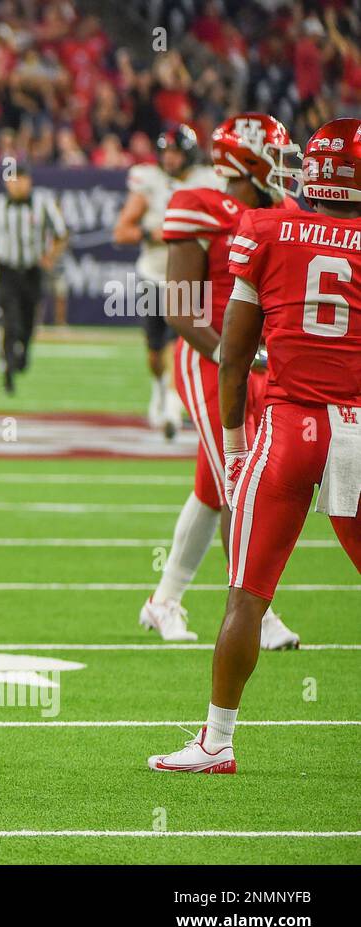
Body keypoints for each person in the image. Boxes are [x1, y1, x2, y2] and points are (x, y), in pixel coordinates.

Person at [149, 117, 361, 773]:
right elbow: (189, 313)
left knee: (247, 592)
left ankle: (217, 741)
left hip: (289, 422)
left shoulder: (266, 229)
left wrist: (238, 441)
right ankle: (165, 601)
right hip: (355, 423)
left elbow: (236, 354)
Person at [139, 113, 301, 650]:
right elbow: (181, 309)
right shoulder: (200, 205)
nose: (283, 169)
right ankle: (259, 611)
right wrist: (235, 359)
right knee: (242, 484)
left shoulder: (280, 213)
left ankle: (163, 602)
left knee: (214, 489)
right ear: (245, 163)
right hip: (210, 361)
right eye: (273, 157)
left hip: (255, 365)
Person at [113, 125, 223, 439]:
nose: (170, 159)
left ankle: (174, 405)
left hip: (191, 277)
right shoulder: (149, 181)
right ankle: (161, 389)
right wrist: (155, 234)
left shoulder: (209, 180)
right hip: (153, 274)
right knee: (154, 351)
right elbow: (122, 232)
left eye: (176, 152)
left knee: (183, 343)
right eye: (167, 152)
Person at [0, 163, 67, 394]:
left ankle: (24, 351)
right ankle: (8, 371)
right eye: (12, 179)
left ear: (29, 181)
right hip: (6, 270)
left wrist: (50, 257)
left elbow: (61, 233)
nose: (16, 184)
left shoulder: (43, 203)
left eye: (21, 179)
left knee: (28, 321)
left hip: (32, 270)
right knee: (10, 320)